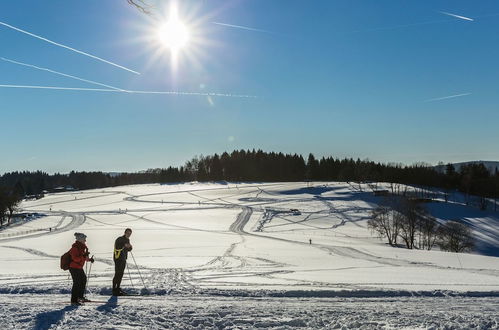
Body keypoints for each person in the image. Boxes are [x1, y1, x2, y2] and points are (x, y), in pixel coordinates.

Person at [69, 232, 94, 305]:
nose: (85, 240)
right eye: (84, 239)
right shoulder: (75, 248)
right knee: (77, 283)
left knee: (83, 280)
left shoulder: (82, 247)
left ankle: (80, 297)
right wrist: (83, 256)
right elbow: (75, 259)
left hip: (79, 267)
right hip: (73, 267)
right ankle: (74, 300)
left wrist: (89, 259)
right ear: (80, 239)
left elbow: (84, 258)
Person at [112, 228, 133, 296]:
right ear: (125, 232)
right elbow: (117, 247)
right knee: (117, 273)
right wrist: (124, 245)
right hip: (118, 258)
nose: (129, 234)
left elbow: (128, 249)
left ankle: (118, 288)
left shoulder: (127, 240)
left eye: (130, 233)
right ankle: (114, 289)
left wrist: (130, 247)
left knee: (121, 274)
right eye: (128, 233)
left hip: (123, 258)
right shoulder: (119, 239)